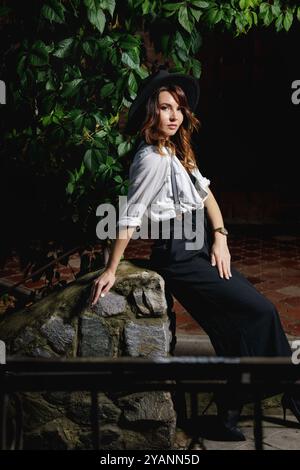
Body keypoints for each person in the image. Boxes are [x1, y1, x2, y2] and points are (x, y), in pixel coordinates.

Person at [90, 65, 300, 441]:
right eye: (166, 108)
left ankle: (231, 412)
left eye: (179, 108)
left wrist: (220, 236)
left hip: (201, 247)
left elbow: (206, 196)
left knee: (242, 325)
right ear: (152, 112)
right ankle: (291, 391)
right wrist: (111, 268)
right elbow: (132, 213)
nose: (174, 115)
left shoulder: (175, 148)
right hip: (179, 257)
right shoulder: (150, 159)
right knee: (261, 311)